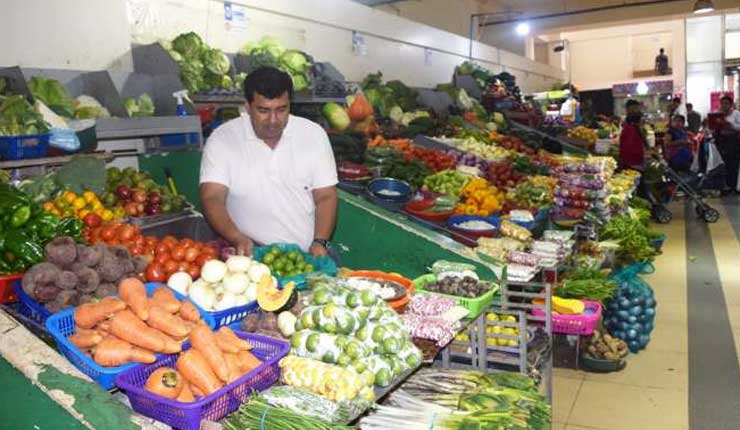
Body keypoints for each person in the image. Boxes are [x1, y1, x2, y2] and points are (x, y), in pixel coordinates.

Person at [199, 67, 338, 256]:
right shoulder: (223, 139)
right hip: (250, 253)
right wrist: (237, 238)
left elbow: (325, 196)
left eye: (281, 110)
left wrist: (320, 241)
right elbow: (212, 197)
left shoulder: (313, 135)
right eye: (263, 110)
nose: (273, 120)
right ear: (247, 107)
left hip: (305, 254)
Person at [717, 96, 740, 193]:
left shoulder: (736, 113)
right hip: (721, 140)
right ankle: (724, 186)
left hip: (733, 140)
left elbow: (739, 127)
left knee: (733, 164)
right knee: (723, 164)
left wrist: (730, 124)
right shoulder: (718, 114)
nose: (724, 105)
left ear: (731, 104)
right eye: (722, 103)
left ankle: (733, 186)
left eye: (726, 103)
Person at [619, 99, 648, 171]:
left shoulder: (636, 120)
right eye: (633, 109)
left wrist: (647, 146)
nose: (635, 111)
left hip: (635, 158)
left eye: (636, 108)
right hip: (630, 158)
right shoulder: (628, 122)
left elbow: (641, 133)